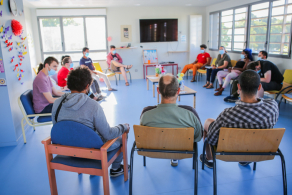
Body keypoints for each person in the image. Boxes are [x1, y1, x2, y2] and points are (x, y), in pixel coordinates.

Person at [51, 67, 130, 177]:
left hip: (66, 149)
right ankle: (116, 169)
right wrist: (124, 127)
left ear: (69, 84)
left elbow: (58, 127)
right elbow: (108, 134)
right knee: (122, 137)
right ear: (87, 86)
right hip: (91, 152)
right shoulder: (93, 105)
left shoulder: (57, 103)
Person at [200, 70, 279, 168]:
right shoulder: (273, 106)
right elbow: (262, 100)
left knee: (208, 122)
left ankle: (209, 158)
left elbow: (212, 139)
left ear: (238, 87)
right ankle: (246, 159)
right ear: (259, 87)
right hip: (258, 149)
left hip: (232, 150)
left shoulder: (228, 114)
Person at [140, 74, 203, 167]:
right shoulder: (191, 113)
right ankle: (175, 156)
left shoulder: (146, 113)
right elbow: (198, 137)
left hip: (153, 151)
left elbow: (143, 135)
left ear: (158, 90)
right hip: (182, 149)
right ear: (178, 91)